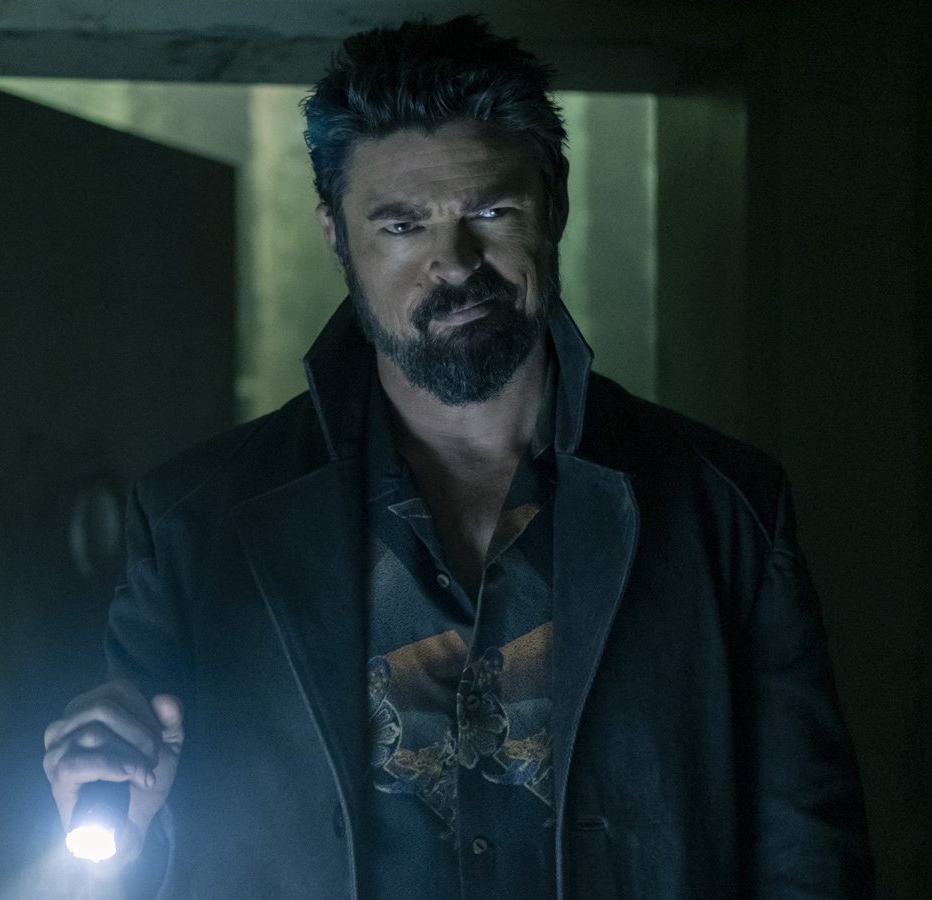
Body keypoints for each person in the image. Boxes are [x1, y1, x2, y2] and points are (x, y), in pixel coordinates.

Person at [42, 15, 872, 898]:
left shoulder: (727, 509)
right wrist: (131, 826)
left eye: (490, 211)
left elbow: (811, 865)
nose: (454, 263)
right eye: (402, 225)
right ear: (336, 234)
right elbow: (128, 849)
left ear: (554, 204)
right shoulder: (192, 523)